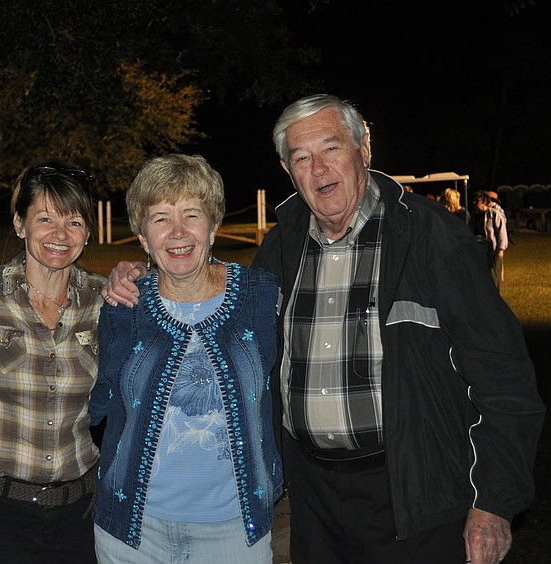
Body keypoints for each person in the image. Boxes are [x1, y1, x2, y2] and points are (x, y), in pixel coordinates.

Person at [105, 96, 544, 564]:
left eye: (331, 149)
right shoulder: (282, 244)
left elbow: (505, 379)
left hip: (415, 495)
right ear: (286, 168)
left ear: (364, 148)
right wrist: (139, 277)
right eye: (301, 158)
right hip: (314, 504)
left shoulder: (431, 237)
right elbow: (208, 286)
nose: (319, 170)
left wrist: (494, 502)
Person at [91, 154, 282, 563]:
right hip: (132, 534)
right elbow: (92, 398)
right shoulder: (122, 306)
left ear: (213, 226)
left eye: (191, 214)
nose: (177, 232)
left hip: (235, 532)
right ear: (143, 238)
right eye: (160, 218)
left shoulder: (261, 296)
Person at [0, 160, 105, 563]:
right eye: (45, 218)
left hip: (77, 514)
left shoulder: (103, 300)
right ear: (21, 224)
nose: (60, 235)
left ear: (88, 232)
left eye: (74, 222)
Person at [472, 190, 508, 290]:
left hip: (493, 251)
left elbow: (502, 232)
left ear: (485, 202)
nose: (475, 203)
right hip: (481, 251)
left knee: (494, 277)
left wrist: (500, 250)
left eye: (477, 201)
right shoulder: (476, 216)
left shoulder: (494, 214)